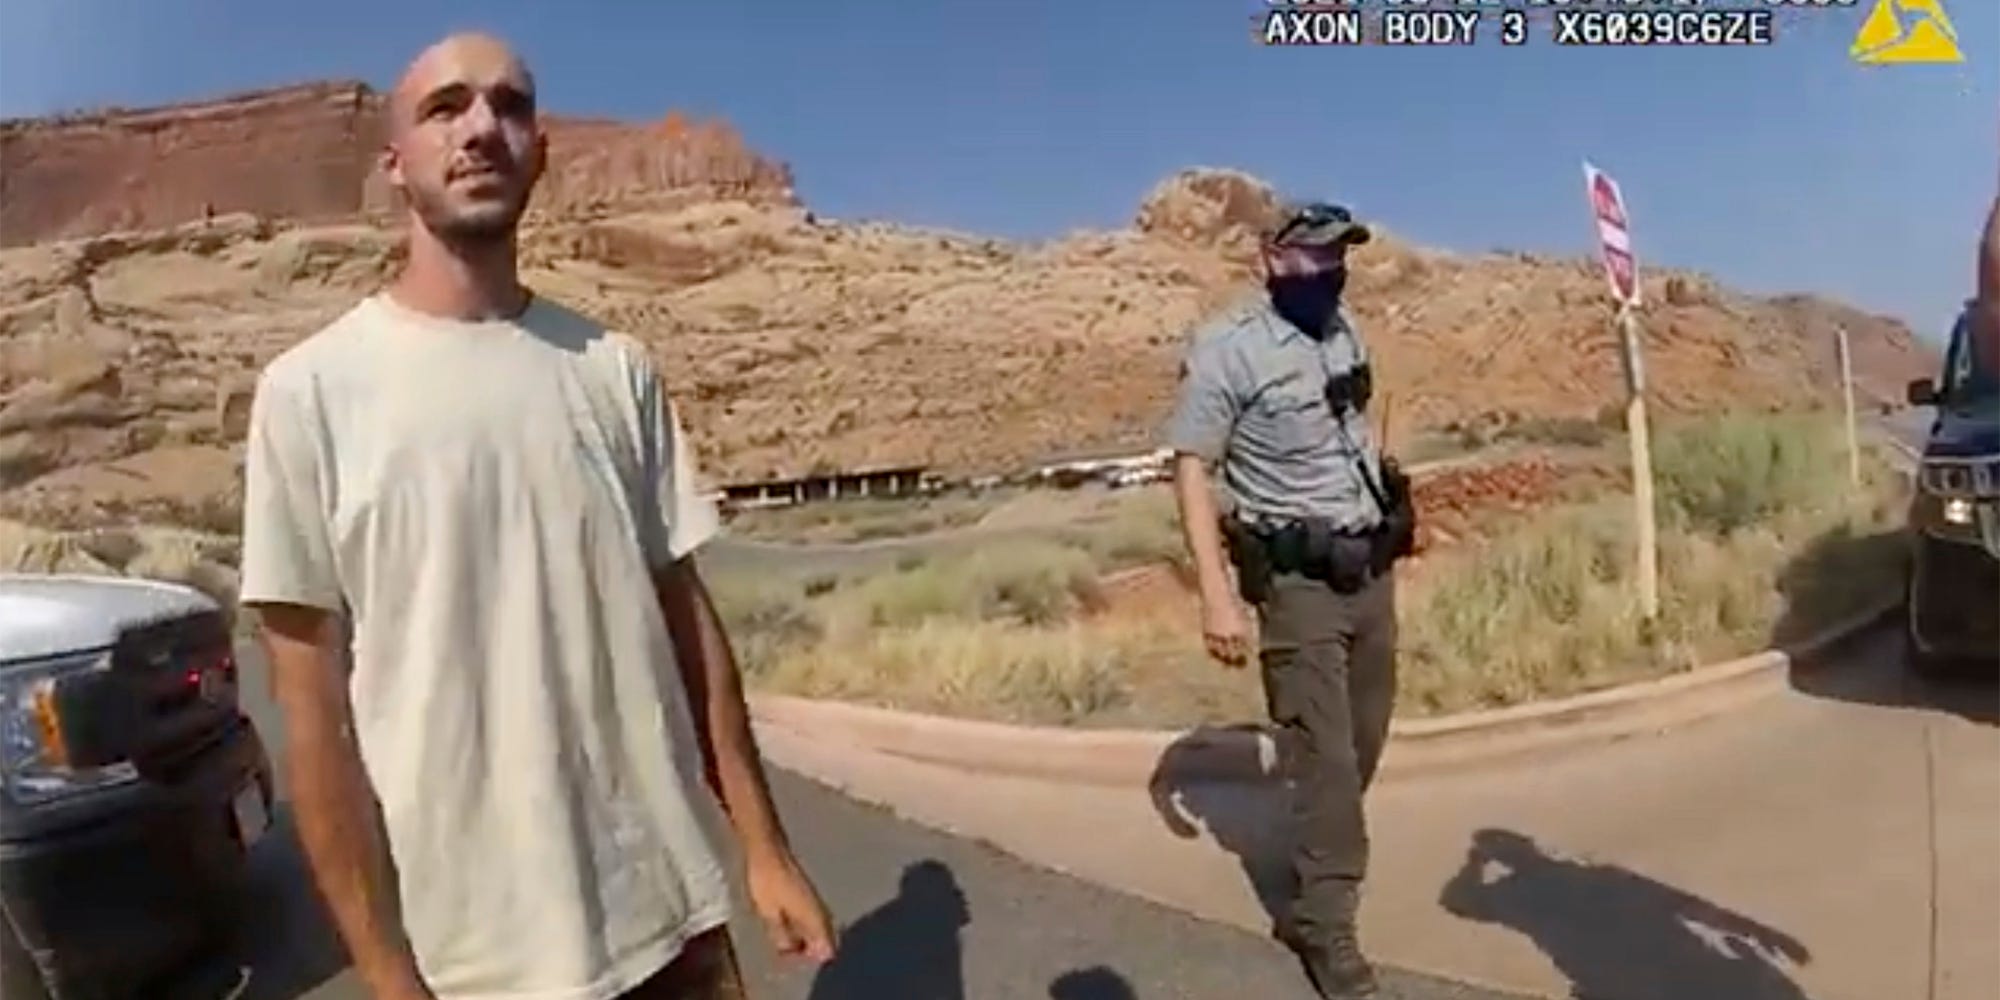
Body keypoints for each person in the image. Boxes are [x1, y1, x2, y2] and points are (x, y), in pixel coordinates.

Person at [239, 32, 836, 1000]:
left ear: (540, 150)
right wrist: (390, 977)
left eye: (509, 106)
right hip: (478, 962)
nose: (481, 128)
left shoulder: (612, 368)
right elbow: (314, 729)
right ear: (395, 164)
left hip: (672, 924)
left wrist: (763, 849)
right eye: (445, 107)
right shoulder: (310, 394)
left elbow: (688, 625)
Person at [1163, 201, 1415, 1000]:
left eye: (1338, 255)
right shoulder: (1227, 349)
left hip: (1370, 571)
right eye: (1311, 257)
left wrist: (1392, 494)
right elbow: (1193, 468)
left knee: (1364, 738)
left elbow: (1362, 421)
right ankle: (1327, 927)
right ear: (1270, 259)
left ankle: (1316, 858)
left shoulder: (1344, 329)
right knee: (1327, 761)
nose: (1328, 271)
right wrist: (1216, 597)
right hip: (1298, 586)